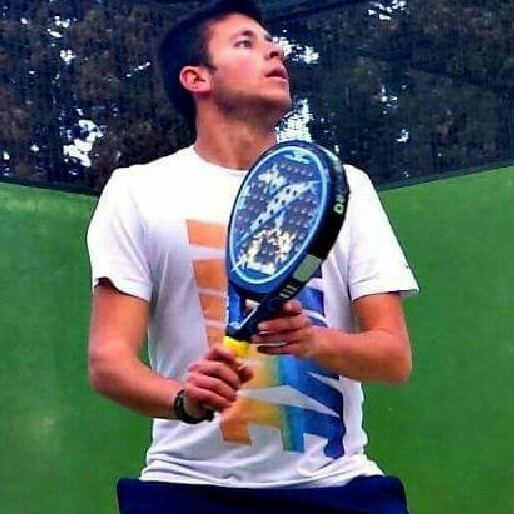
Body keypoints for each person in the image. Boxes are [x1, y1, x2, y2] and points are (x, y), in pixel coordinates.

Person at [86, 1, 419, 513]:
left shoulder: (345, 185)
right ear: (197, 78)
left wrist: (314, 340)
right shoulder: (137, 191)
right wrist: (183, 401)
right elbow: (108, 361)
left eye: (271, 41)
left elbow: (393, 357)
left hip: (339, 490)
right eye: (246, 42)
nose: (275, 50)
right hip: (185, 490)